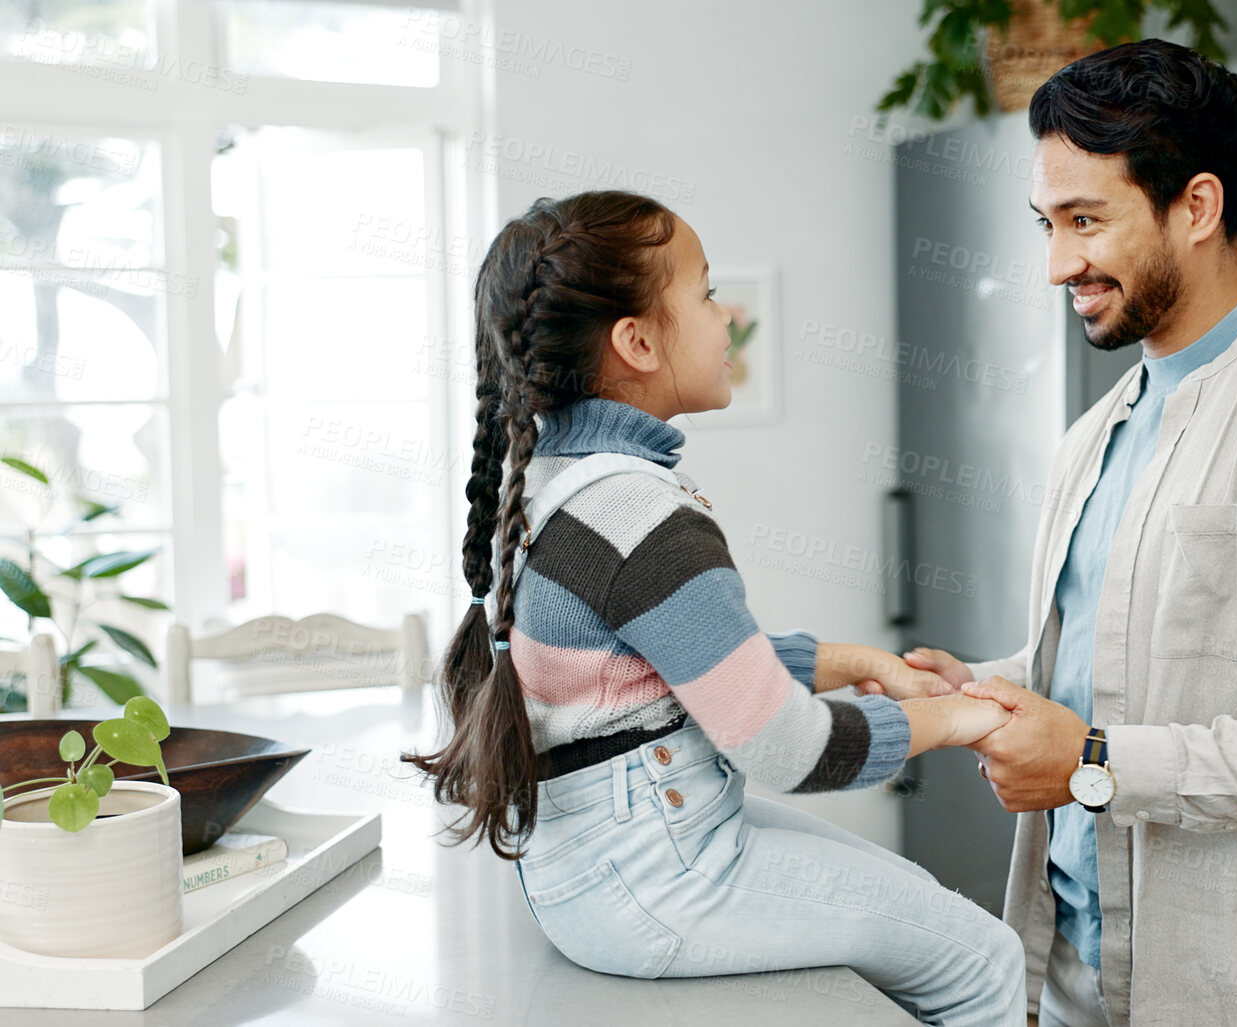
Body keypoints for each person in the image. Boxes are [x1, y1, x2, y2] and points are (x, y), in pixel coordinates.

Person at [890, 40, 1237, 1027]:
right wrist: (980, 686)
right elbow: (1126, 647)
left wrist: (1096, 757)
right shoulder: (1101, 429)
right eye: (1047, 224)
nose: (1058, 262)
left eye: (1086, 220)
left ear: (1196, 207)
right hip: (1077, 977)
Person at [403, 190, 1026, 1026]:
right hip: (655, 879)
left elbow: (676, 659)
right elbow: (787, 747)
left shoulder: (559, 480)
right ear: (637, 340)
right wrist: (961, 719)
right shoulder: (639, 513)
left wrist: (857, 662)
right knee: (985, 957)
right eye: (703, 293)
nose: (726, 314)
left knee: (916, 905)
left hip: (594, 868)